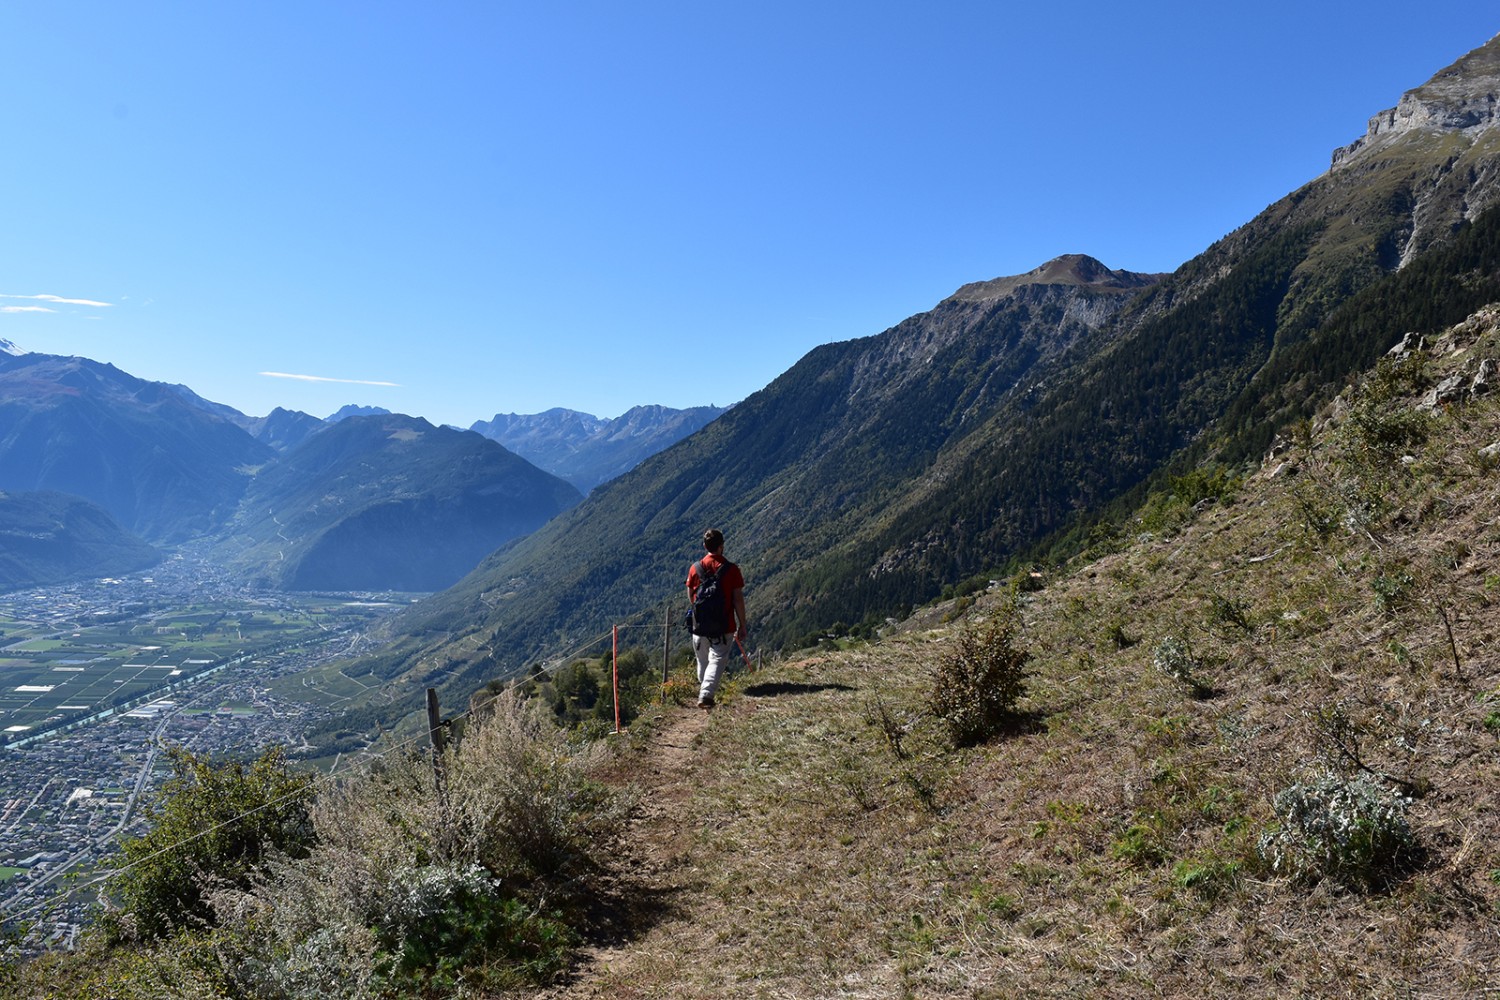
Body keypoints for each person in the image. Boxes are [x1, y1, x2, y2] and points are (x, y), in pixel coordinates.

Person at [685, 528, 746, 710]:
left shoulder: (695, 569)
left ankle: (705, 691)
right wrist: (742, 624)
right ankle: (706, 694)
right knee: (718, 658)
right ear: (722, 546)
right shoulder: (731, 570)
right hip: (724, 624)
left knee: (703, 661)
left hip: (699, 625)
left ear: (705, 546)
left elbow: (691, 596)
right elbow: (738, 600)